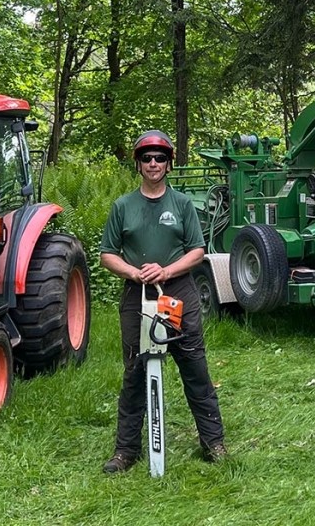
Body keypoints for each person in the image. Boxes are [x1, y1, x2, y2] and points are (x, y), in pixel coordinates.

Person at [99, 129, 227, 473]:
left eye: (159, 158)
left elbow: (198, 251)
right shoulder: (123, 206)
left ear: (169, 164)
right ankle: (126, 450)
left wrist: (166, 271)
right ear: (138, 164)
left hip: (178, 294)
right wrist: (133, 272)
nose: (153, 163)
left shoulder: (182, 204)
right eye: (146, 158)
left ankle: (213, 443)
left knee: (195, 368)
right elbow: (107, 254)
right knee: (135, 372)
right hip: (136, 297)